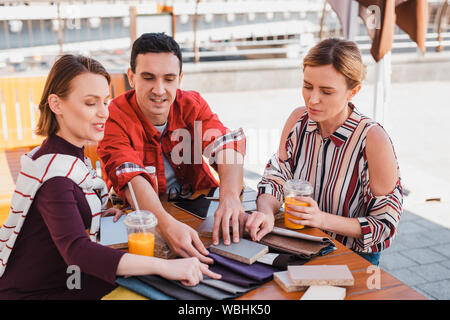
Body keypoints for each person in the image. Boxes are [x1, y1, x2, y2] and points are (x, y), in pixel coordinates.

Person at [0, 54, 220, 300]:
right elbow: (77, 251)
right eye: (91, 103)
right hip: (40, 291)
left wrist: (96, 211)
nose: (104, 113)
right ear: (56, 104)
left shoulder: (62, 153)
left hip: (65, 277)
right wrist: (166, 267)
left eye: (105, 102)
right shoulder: (55, 177)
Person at [245, 38, 403, 266]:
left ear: (353, 91)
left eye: (327, 91)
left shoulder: (373, 139)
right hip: (299, 244)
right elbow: (276, 178)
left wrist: (321, 219)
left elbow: (385, 225)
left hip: (352, 258)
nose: (313, 99)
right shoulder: (297, 120)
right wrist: (267, 212)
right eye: (307, 86)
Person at [97, 33, 247, 263]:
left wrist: (230, 198)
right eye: (148, 77)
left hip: (198, 209)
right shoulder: (113, 116)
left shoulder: (192, 104)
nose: (159, 89)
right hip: (143, 219)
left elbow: (224, 144)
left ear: (179, 79)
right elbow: (130, 175)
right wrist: (165, 225)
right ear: (132, 77)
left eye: (168, 79)